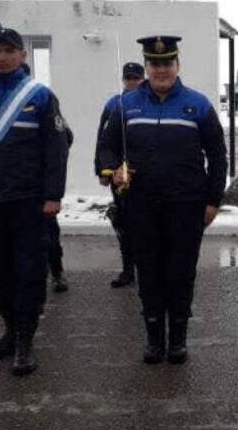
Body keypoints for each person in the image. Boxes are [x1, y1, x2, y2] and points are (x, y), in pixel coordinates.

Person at [97, 36, 226, 365]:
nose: (161, 69)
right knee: (150, 273)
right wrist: (111, 170)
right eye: (155, 64)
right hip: (141, 205)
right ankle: (155, 338)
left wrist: (212, 201)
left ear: (177, 65)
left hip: (186, 206)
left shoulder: (198, 105)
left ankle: (178, 339)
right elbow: (107, 146)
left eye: (168, 63)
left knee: (180, 273)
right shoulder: (126, 104)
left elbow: (218, 155)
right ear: (147, 67)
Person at [0, 29, 70, 377]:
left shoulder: (40, 96)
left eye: (9, 50)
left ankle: (25, 340)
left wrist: (53, 195)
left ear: (22, 56)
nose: (2, 56)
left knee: (28, 272)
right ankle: (8, 330)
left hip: (28, 202)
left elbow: (56, 148)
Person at [96, 62, 145, 288]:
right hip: (120, 175)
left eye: (136, 78)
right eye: (129, 78)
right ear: (124, 80)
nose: (133, 82)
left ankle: (149, 269)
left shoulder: (150, 101)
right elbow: (103, 139)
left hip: (146, 175)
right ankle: (128, 270)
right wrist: (103, 169)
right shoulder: (115, 104)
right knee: (124, 224)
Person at [46, 121, 74, 293]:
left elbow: (65, 136)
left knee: (49, 235)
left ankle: (57, 272)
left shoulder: (41, 100)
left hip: (35, 184)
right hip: (1, 185)